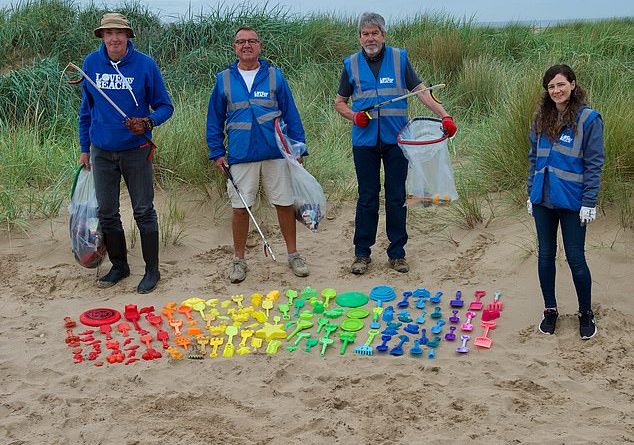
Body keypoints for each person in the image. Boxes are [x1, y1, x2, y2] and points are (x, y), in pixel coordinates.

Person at [335, 12, 457, 275]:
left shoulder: (399, 58)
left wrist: (444, 115)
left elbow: (422, 92)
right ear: (359, 38)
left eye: (375, 33)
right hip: (364, 143)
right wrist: (354, 117)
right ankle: (362, 254)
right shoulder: (351, 64)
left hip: (396, 142)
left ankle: (397, 253)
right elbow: (339, 103)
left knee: (396, 198)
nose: (370, 38)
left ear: (383, 35)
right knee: (367, 198)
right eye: (365, 34)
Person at [78, 13, 174, 293]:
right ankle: (119, 266)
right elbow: (87, 110)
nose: (114, 38)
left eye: (120, 32)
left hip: (137, 150)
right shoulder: (92, 63)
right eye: (109, 33)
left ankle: (152, 270)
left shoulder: (145, 65)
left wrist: (148, 122)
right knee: (107, 212)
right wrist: (85, 147)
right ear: (102, 37)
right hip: (102, 151)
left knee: (143, 210)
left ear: (128, 36)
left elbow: (166, 107)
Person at [206, 26, 310, 283]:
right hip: (240, 155)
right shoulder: (224, 79)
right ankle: (239, 260)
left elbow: (291, 114)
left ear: (260, 46)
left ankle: (293, 255)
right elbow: (213, 120)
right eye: (241, 42)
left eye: (252, 41)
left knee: (284, 204)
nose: (247, 45)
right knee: (240, 209)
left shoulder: (275, 76)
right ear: (235, 48)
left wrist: (298, 147)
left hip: (276, 152)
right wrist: (217, 152)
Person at [527, 64, 604, 340]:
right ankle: (550, 311)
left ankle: (585, 313)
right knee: (545, 255)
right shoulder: (540, 118)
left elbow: (595, 163)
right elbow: (533, 159)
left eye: (561, 84)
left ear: (572, 84)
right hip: (542, 199)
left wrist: (589, 201)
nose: (556, 91)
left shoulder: (589, 119)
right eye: (551, 87)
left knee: (575, 258)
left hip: (572, 202)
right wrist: (530, 192)